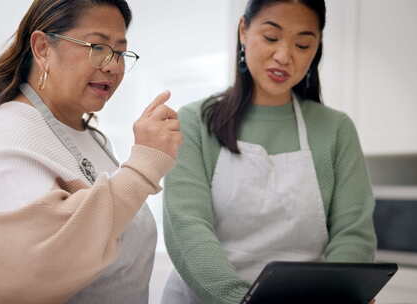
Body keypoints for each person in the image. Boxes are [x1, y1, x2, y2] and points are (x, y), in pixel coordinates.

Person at [0, 0, 182, 303]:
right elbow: (41, 266)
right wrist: (145, 164)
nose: (112, 65)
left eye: (120, 52)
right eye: (97, 46)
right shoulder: (3, 135)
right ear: (42, 48)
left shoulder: (92, 138)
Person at [161, 0, 377, 303]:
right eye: (271, 38)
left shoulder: (336, 129)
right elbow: (187, 228)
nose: (284, 56)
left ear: (318, 47)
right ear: (243, 31)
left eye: (302, 44)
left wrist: (341, 295)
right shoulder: (195, 121)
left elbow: (353, 233)